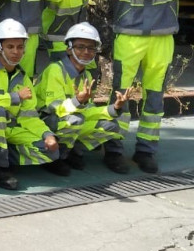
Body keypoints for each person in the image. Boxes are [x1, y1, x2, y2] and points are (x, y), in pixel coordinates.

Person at [105, 0, 194, 174]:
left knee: (154, 97)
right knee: (120, 94)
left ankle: (146, 150)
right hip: (130, 35)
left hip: (162, 35)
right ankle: (113, 150)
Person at [0, 19, 59, 191]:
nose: (16, 52)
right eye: (10, 47)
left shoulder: (23, 78)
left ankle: (0, 154)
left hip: (12, 130)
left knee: (51, 151)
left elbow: (29, 116)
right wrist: (15, 97)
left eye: (20, 47)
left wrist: (47, 134)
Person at [36, 22, 130, 176]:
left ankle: (73, 150)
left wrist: (114, 108)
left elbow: (88, 111)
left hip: (69, 120)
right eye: (80, 47)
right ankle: (55, 158)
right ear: (69, 48)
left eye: (91, 48)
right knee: (75, 120)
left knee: (110, 125)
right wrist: (77, 102)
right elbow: (53, 107)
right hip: (45, 121)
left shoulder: (86, 75)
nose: (86, 52)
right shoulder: (55, 70)